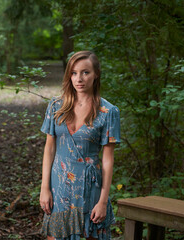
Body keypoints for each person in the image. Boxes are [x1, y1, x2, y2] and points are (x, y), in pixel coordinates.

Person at [39, 51, 121, 240]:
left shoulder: (108, 112)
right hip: (59, 186)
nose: (79, 79)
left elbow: (108, 160)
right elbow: (49, 149)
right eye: (74, 73)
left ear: (96, 74)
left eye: (85, 72)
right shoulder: (56, 107)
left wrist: (103, 200)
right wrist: (45, 188)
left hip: (89, 187)